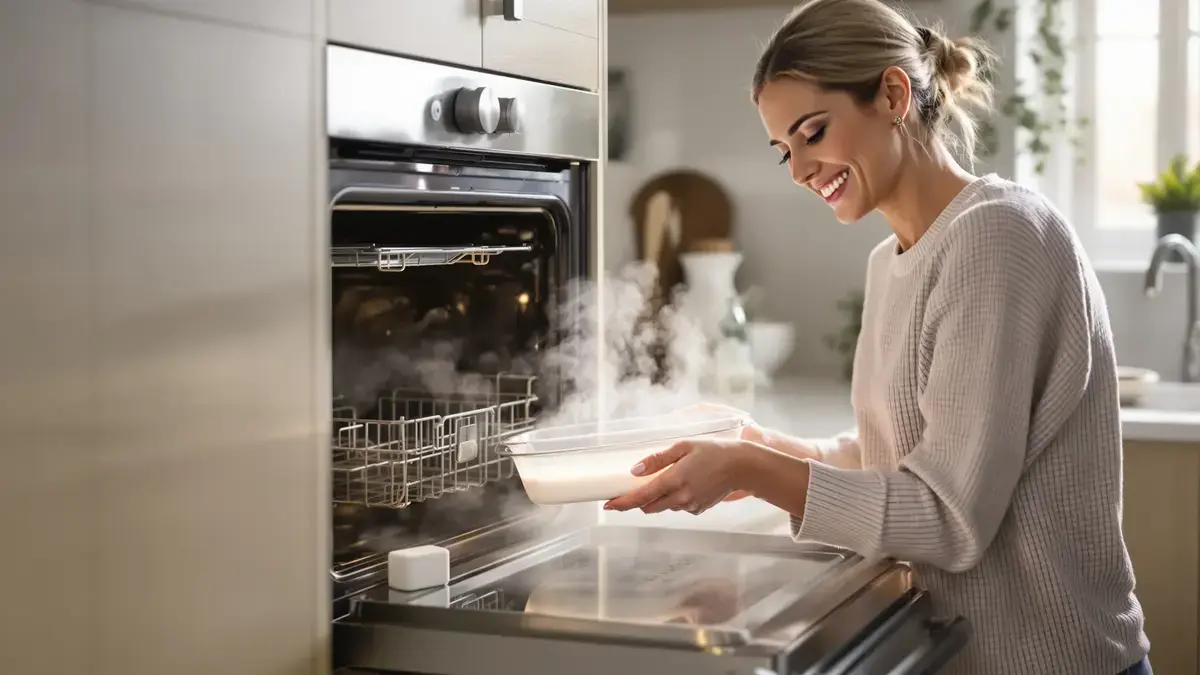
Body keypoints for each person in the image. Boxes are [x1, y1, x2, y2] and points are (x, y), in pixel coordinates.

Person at [602, 0, 1151, 673]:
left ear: (893, 94)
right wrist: (762, 444)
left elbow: (949, 517)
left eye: (813, 131)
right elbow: (900, 453)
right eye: (785, 151)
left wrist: (754, 469)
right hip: (958, 652)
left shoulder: (998, 235)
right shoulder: (893, 260)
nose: (801, 169)